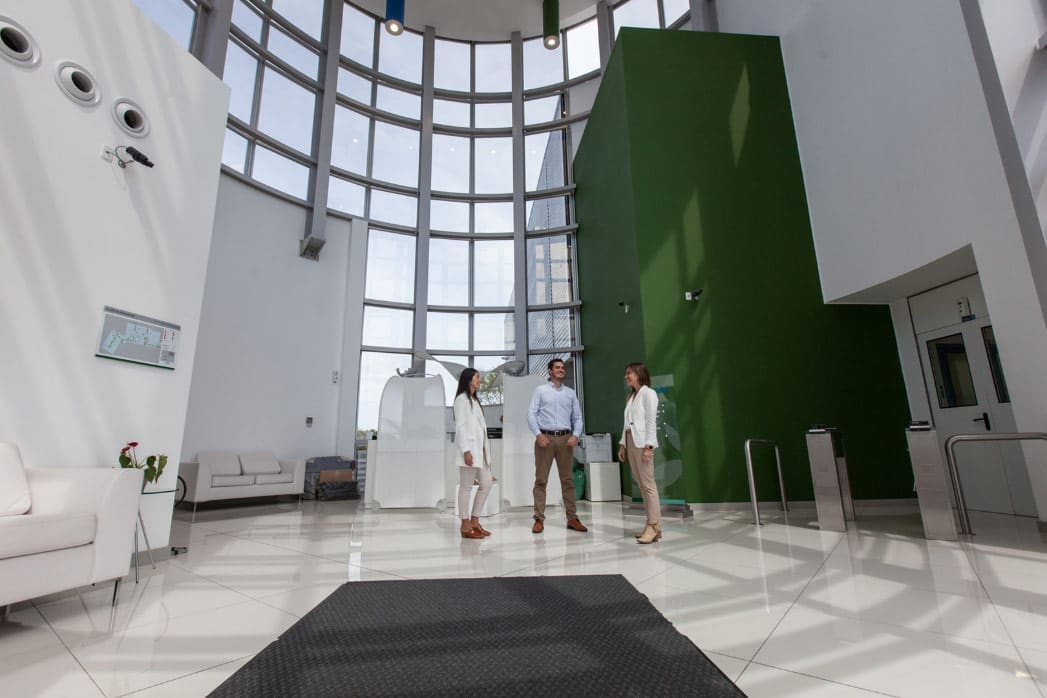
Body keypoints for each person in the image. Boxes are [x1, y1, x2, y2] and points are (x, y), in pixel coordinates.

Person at [527, 358, 588, 533]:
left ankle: (572, 518)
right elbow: (531, 414)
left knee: (567, 480)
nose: (561, 370)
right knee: (541, 480)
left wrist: (576, 435)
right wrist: (538, 434)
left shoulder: (570, 393)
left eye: (562, 368)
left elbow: (577, 417)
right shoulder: (540, 391)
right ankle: (539, 519)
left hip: (565, 439)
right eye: (557, 367)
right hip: (545, 439)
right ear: (550, 371)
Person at [618, 362, 662, 544]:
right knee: (642, 486)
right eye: (626, 373)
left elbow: (651, 421)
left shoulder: (648, 393)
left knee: (648, 485)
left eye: (629, 373)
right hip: (631, 441)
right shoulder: (631, 396)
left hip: (643, 443)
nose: (626, 376)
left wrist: (649, 446)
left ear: (639, 374)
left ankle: (653, 526)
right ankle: (652, 525)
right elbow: (626, 423)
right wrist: (622, 444)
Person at [453, 368, 493, 540]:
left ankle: (475, 522)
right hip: (469, 451)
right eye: (477, 377)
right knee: (466, 487)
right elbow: (460, 427)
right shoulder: (461, 400)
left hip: (481, 451)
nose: (480, 380)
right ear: (469, 379)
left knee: (486, 484)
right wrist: (466, 451)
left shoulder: (475, 400)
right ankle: (465, 524)